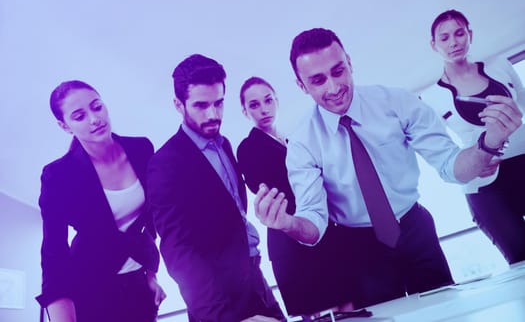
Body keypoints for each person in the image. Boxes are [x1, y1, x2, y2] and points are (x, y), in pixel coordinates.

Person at [253, 28, 522, 309]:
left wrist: (488, 143)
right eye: (318, 80)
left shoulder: (396, 103)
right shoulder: (302, 143)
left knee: (446, 311)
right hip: (359, 247)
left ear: (349, 63)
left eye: (338, 71)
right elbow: (314, 221)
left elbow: (450, 166)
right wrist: (288, 224)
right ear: (302, 85)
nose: (333, 87)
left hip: (415, 228)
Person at [147, 55, 284, 322]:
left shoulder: (225, 146)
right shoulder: (164, 163)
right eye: (200, 105)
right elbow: (178, 250)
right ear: (178, 104)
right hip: (217, 303)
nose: (213, 114)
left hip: (256, 281)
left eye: (218, 103)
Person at [36, 80, 166, 322]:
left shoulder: (141, 148)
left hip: (139, 286)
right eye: (79, 116)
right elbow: (54, 249)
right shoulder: (58, 175)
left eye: (97, 107)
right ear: (65, 126)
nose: (94, 119)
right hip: (90, 286)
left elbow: (148, 221)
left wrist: (150, 274)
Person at [236, 77, 354, 316]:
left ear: (277, 101)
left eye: (268, 100)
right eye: (254, 105)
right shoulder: (248, 147)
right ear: (245, 111)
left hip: (320, 230)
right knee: (322, 312)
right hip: (290, 238)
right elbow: (273, 190)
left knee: (348, 306)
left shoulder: (291, 140)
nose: (264, 109)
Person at [420, 9, 525, 264]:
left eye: (459, 33)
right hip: (485, 186)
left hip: (522, 163)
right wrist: (474, 161)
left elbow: (521, 108)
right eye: (444, 38)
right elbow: (442, 153)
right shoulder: (430, 98)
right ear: (434, 45)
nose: (453, 42)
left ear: (470, 35)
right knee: (521, 257)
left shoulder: (500, 65)